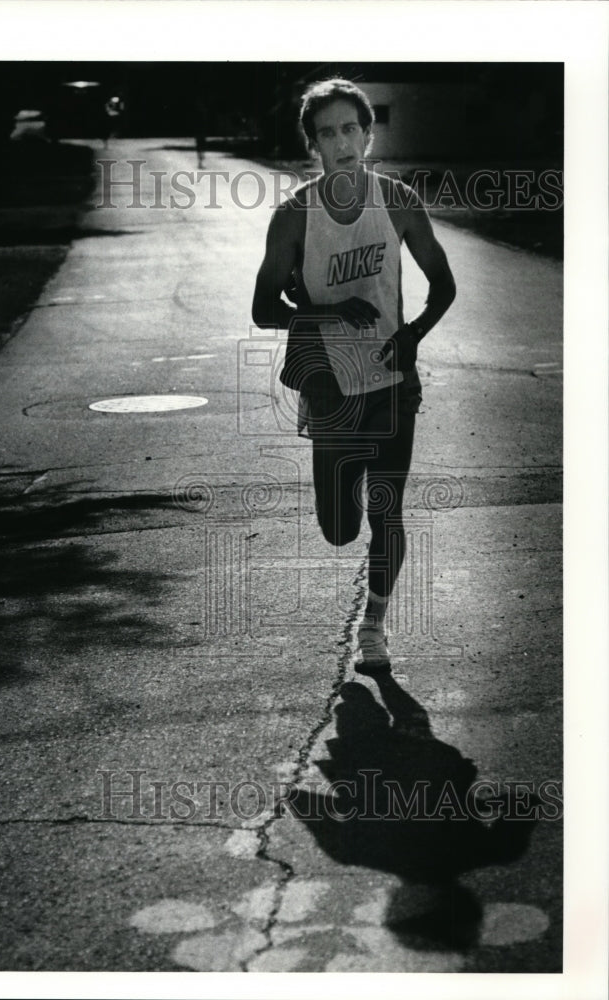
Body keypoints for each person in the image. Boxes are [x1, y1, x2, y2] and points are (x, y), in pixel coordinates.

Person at [251, 78, 456, 671]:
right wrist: (326, 310)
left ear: (367, 135)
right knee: (340, 528)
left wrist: (413, 334)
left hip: (393, 382)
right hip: (330, 386)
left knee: (388, 508)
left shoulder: (397, 202)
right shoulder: (293, 218)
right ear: (313, 143)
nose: (340, 142)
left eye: (350, 129)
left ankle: (374, 627)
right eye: (327, 133)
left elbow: (444, 285)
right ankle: (340, 481)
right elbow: (265, 310)